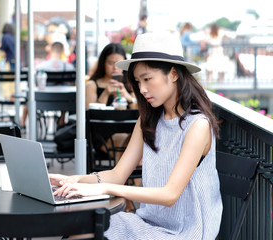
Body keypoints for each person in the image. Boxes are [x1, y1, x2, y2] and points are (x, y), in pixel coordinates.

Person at [50, 31, 223, 239]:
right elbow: (117, 174)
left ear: (174, 74)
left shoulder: (197, 125)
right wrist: (74, 180)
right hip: (147, 222)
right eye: (138, 82)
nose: (142, 89)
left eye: (148, 79)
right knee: (80, 228)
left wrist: (104, 188)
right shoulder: (148, 120)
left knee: (88, 230)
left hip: (185, 232)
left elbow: (170, 195)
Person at [20, 41, 75, 128]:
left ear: (50, 50)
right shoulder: (69, 67)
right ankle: (62, 119)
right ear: (63, 51)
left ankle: (22, 124)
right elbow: (72, 85)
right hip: (64, 102)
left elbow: (35, 84)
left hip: (43, 101)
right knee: (69, 97)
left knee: (28, 98)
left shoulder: (41, 66)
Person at [86, 43, 137, 109]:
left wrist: (127, 97)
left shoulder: (131, 84)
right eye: (110, 63)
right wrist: (105, 93)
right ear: (103, 63)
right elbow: (90, 113)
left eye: (119, 63)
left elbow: (138, 111)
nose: (115, 67)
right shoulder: (92, 85)